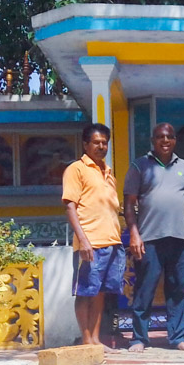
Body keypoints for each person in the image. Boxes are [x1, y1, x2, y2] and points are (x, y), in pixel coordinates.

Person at [124, 122, 184, 353]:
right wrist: (134, 235)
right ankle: (139, 338)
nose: (165, 141)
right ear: (153, 140)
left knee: (178, 289)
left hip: (180, 238)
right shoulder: (139, 166)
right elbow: (129, 204)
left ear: (175, 140)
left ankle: (177, 337)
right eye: (160, 137)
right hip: (149, 238)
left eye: (169, 136)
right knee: (144, 289)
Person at [61, 123, 124, 353]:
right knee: (85, 291)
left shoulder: (108, 172)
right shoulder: (76, 169)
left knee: (100, 293)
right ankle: (85, 339)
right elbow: (70, 206)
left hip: (111, 242)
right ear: (85, 144)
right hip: (89, 242)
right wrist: (83, 240)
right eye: (96, 142)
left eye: (104, 142)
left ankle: (96, 339)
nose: (101, 146)